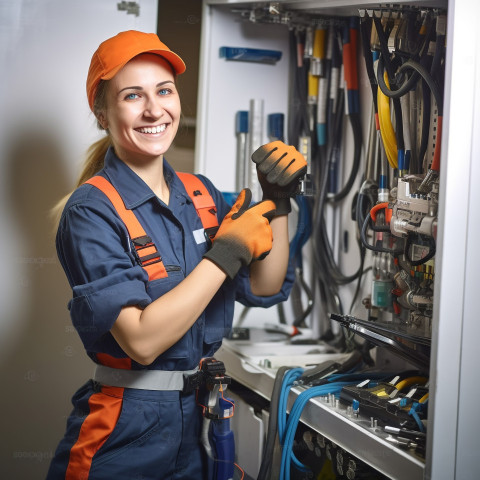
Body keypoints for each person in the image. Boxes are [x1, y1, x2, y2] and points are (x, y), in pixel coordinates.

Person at [46, 30, 307, 480]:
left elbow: (265, 285)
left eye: (164, 91)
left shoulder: (200, 194)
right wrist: (226, 252)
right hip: (125, 429)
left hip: (198, 422)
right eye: (133, 96)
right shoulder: (90, 211)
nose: (154, 109)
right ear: (102, 114)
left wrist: (278, 202)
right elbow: (143, 341)